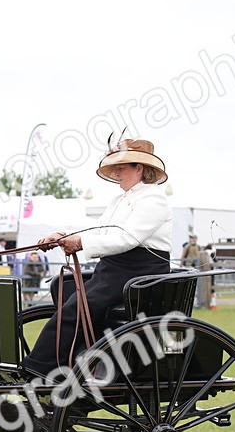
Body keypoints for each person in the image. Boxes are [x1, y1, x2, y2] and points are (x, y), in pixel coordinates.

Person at [21, 138, 172, 378]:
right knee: (62, 286)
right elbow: (99, 229)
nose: (117, 172)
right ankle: (75, 359)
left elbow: (127, 237)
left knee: (77, 306)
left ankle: (37, 367)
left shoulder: (153, 199)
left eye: (122, 167)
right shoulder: (121, 200)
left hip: (139, 273)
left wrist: (79, 243)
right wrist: (63, 236)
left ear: (139, 169)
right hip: (115, 270)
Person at [197, 244, 215, 310]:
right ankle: (208, 301)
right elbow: (215, 260)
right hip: (210, 267)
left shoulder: (204, 252)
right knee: (211, 284)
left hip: (204, 269)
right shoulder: (211, 252)